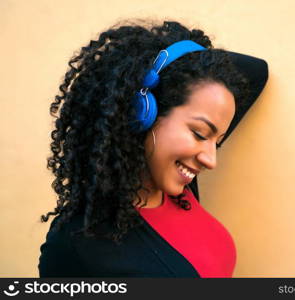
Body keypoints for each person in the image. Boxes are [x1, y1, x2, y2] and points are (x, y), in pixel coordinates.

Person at [38, 20, 268, 277]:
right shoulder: (78, 243)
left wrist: (177, 61)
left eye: (217, 141)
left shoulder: (178, 184)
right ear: (142, 113)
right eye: (199, 134)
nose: (210, 160)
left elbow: (256, 71)